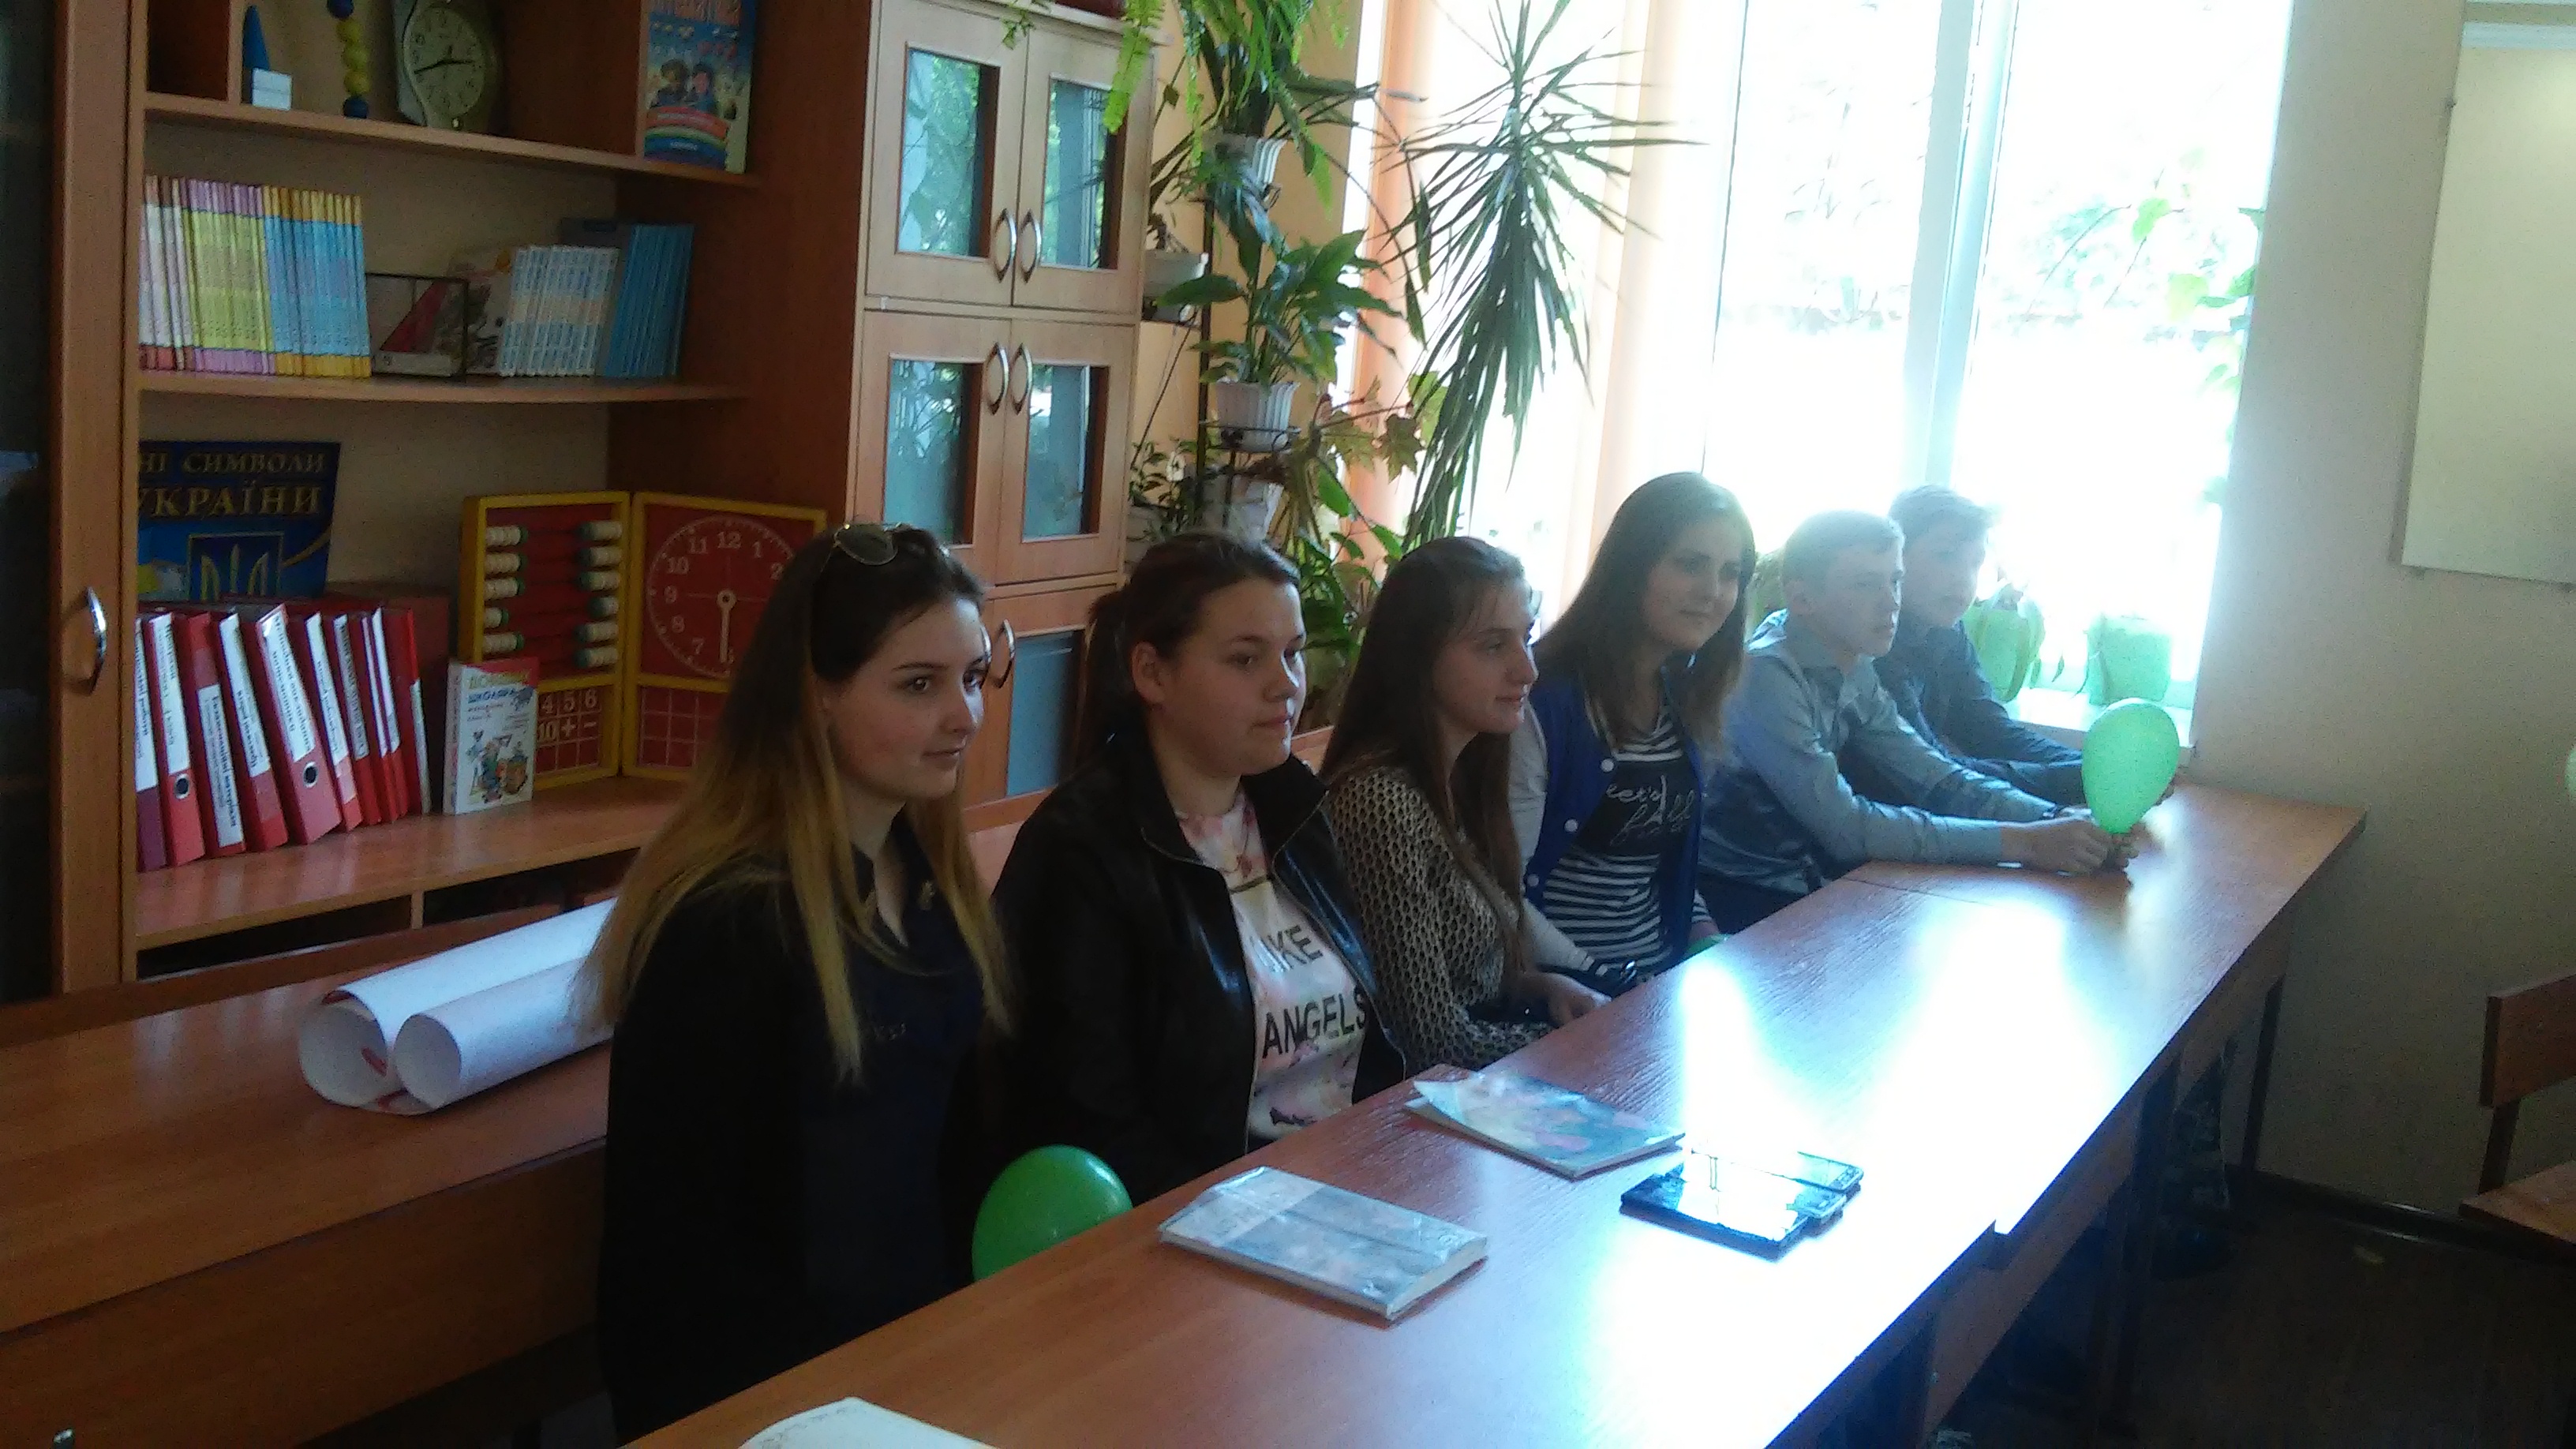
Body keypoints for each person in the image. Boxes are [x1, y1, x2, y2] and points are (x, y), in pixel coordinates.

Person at [582, 523, 1012, 1440]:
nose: (965, 716)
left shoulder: (928, 880)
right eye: (920, 685)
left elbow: (945, 1157)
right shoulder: (729, 922)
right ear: (817, 696)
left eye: (974, 677)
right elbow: (681, 1259)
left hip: (915, 1355)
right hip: (774, 1396)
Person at [994, 533, 1403, 1203]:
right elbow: (1091, 1125)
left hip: (1341, 1180)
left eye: (1293, 653)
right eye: (1246, 659)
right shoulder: (1081, 850)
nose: (1287, 684)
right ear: (1153, 673)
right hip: (1203, 1218)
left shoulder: (1293, 807)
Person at [1698, 511, 2116, 931]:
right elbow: (1846, 829)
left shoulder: (1853, 660)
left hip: (1814, 883)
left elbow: (1936, 776)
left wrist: (2055, 819)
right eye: (1865, 584)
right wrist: (2025, 843)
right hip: (1743, 895)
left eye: (1894, 581)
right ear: (1803, 599)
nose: (1890, 602)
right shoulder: (1766, 673)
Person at [1322, 538, 1609, 1070]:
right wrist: (1571, 1049)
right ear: (1418, 657)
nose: (1527, 670)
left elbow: (1467, 974)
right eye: (1493, 646)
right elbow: (1427, 1043)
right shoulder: (1380, 800)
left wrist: (1540, 987)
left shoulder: (1465, 772)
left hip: (1484, 1072)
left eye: (1526, 638)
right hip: (1427, 1098)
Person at [1511, 472, 1756, 983]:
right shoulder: (1543, 700)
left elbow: (1662, 873)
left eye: (1731, 573)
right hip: (1568, 994)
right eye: (1690, 564)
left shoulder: (1682, 695)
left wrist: (1709, 941)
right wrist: (1606, 983)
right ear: (1632, 567)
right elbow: (1499, 893)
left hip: (1660, 982)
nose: (1713, 592)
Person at [1842, 485, 2084, 807]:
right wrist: (2086, 778)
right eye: (1945, 556)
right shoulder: (1874, 644)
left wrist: (2091, 767)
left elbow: (1990, 730)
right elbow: (1936, 776)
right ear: (1895, 559)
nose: (1964, 579)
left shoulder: (1947, 632)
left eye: (1975, 562)